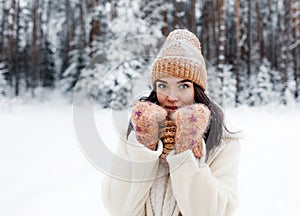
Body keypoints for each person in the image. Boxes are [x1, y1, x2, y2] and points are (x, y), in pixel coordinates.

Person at [102, 29, 241, 216]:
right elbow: (117, 208)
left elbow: (215, 212)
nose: (172, 97)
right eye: (163, 85)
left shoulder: (222, 143)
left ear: (197, 90)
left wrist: (185, 150)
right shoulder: (135, 136)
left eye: (183, 86)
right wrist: (144, 147)